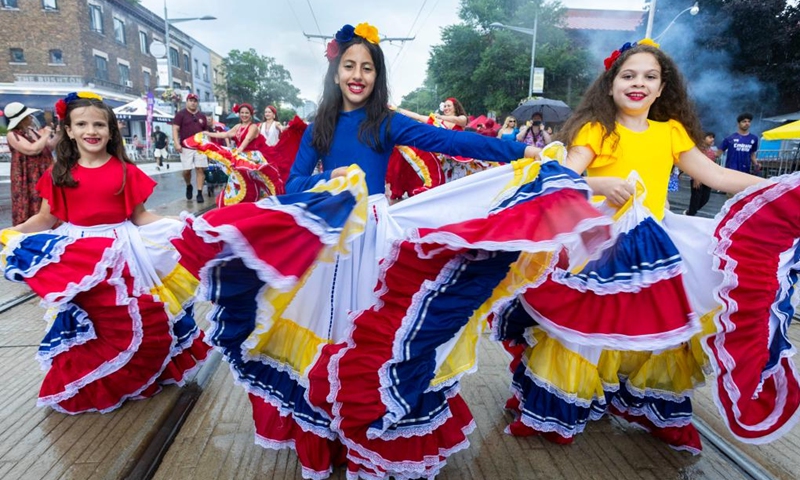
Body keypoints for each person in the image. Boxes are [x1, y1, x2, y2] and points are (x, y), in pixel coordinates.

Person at [188, 22, 608, 479]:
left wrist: (518, 152)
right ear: (335, 72)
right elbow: (293, 185)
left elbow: (450, 140)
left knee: (371, 335)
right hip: (332, 240)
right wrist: (329, 185)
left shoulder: (384, 121)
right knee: (326, 329)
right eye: (350, 65)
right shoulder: (318, 128)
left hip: (375, 234)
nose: (358, 74)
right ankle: (328, 433)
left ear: (377, 76)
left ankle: (371, 430)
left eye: (367, 68)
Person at [497, 39, 775, 454]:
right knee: (585, 330)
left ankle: (650, 408)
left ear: (662, 89)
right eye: (628, 75)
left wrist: (779, 188)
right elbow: (561, 175)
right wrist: (598, 183)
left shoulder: (671, 132)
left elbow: (716, 176)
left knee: (662, 327)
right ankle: (557, 411)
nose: (638, 83)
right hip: (598, 244)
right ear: (611, 85)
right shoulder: (597, 128)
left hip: (656, 246)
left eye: (649, 76)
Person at [0, 91, 210, 414]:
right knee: (89, 323)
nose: (91, 131)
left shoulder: (125, 171)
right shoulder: (58, 174)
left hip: (123, 252)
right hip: (78, 256)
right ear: (68, 130)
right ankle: (93, 383)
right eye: (81, 123)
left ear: (111, 131)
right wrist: (12, 234)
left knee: (131, 318)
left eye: (99, 124)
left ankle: (133, 375)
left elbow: (140, 217)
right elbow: (45, 218)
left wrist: (179, 225)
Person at [4, 101, 56, 225]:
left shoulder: (31, 130)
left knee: (45, 200)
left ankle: (48, 225)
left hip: (41, 172)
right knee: (29, 201)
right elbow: (31, 150)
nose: (30, 118)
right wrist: (45, 135)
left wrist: (58, 133)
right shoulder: (12, 135)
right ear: (22, 119)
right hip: (27, 175)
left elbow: (49, 146)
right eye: (28, 116)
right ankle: (28, 229)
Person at [172, 92, 210, 203]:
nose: (193, 103)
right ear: (187, 101)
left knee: (200, 169)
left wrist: (209, 146)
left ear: (197, 103)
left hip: (200, 147)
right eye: (191, 101)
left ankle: (199, 193)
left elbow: (206, 132)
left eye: (195, 101)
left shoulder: (202, 116)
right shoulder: (181, 114)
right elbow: (175, 129)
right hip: (185, 146)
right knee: (187, 171)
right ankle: (188, 185)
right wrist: (176, 143)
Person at [685, 132, 718, 216]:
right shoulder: (697, 150)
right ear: (703, 139)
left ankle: (690, 212)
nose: (712, 139)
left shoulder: (712, 152)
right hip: (697, 178)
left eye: (713, 138)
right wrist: (696, 177)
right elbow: (693, 164)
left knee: (705, 199)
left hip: (708, 178)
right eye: (710, 137)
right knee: (695, 199)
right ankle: (690, 215)